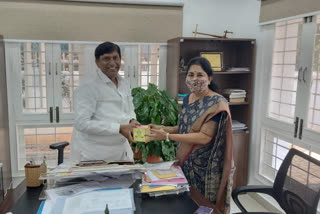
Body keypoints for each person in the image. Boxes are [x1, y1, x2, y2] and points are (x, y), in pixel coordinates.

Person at [146, 57, 234, 214]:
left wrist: (167, 137)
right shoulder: (187, 99)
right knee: (184, 204)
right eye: (191, 75)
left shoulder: (217, 103)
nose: (195, 79)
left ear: (209, 78)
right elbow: (185, 127)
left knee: (200, 206)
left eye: (200, 75)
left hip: (205, 167)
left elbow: (204, 137)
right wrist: (163, 129)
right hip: (185, 163)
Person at [70, 42, 139, 162]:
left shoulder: (124, 83)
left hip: (119, 151)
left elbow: (129, 108)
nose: (112, 63)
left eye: (115, 58)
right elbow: (82, 123)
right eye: (106, 58)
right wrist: (118, 128)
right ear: (97, 62)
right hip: (93, 154)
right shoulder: (88, 86)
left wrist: (132, 120)